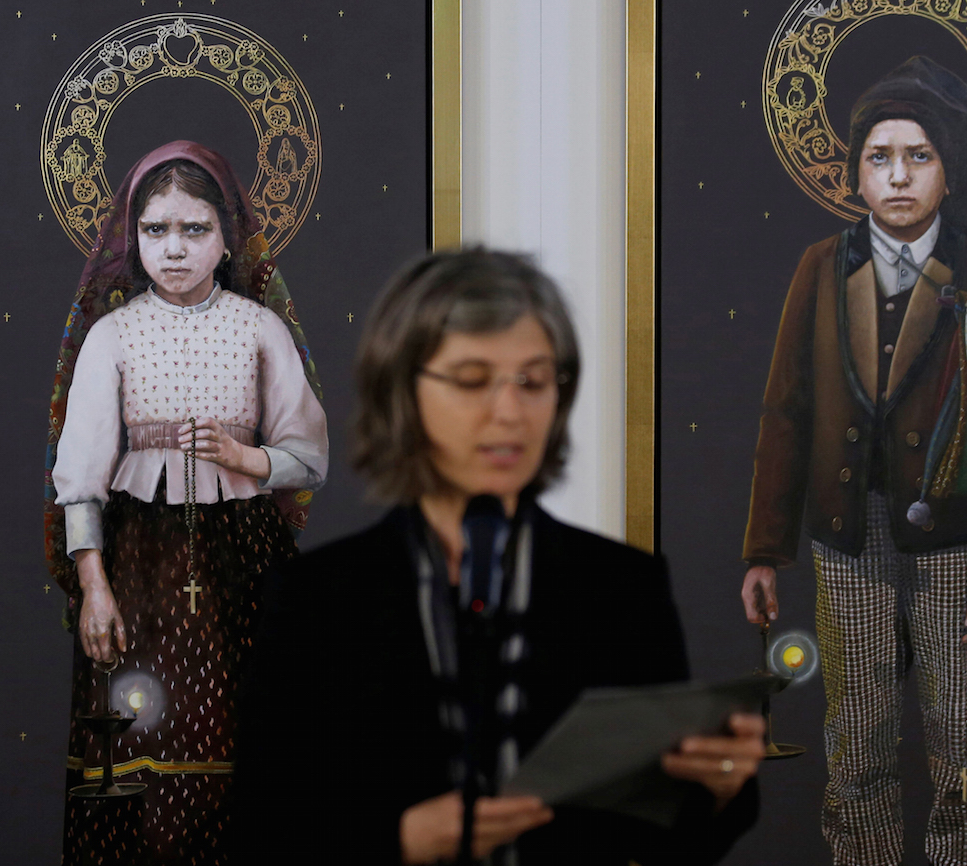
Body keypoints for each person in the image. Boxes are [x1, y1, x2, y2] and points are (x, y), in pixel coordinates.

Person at [234, 248, 766, 864]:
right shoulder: (315, 600)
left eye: (534, 382)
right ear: (404, 390)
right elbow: (261, 834)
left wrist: (721, 790)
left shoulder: (623, 587)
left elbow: (663, 841)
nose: (510, 412)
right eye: (471, 380)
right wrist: (401, 841)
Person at [738, 56, 967, 866]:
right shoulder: (820, 267)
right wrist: (766, 549)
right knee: (858, 731)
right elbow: (785, 413)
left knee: (959, 733)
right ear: (855, 176)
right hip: (848, 538)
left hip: (955, 536)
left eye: (919, 157)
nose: (899, 176)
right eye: (880, 158)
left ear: (946, 173)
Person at [43, 140, 330, 865]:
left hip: (244, 561)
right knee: (141, 747)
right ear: (131, 237)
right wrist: (94, 587)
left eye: (193, 230)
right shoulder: (111, 337)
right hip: (138, 563)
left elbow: (310, 458)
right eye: (155, 230)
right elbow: (79, 476)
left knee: (243, 741)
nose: (173, 249)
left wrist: (247, 458)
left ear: (227, 236)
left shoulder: (260, 328)